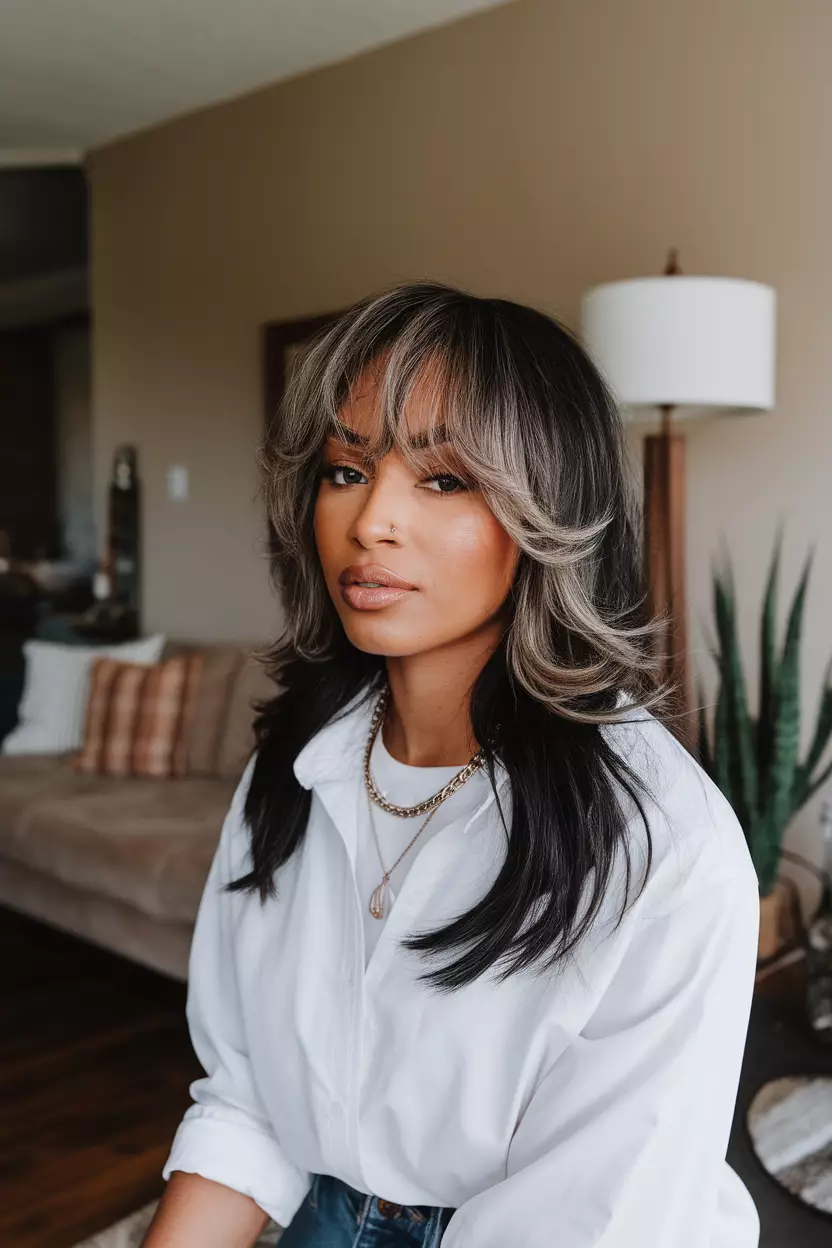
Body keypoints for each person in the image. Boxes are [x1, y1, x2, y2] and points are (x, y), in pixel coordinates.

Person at [143, 282, 760, 1248]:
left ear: (549, 511)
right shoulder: (294, 770)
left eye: (443, 480)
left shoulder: (666, 850)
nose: (371, 522)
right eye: (346, 470)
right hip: (323, 1215)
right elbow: (248, 1103)